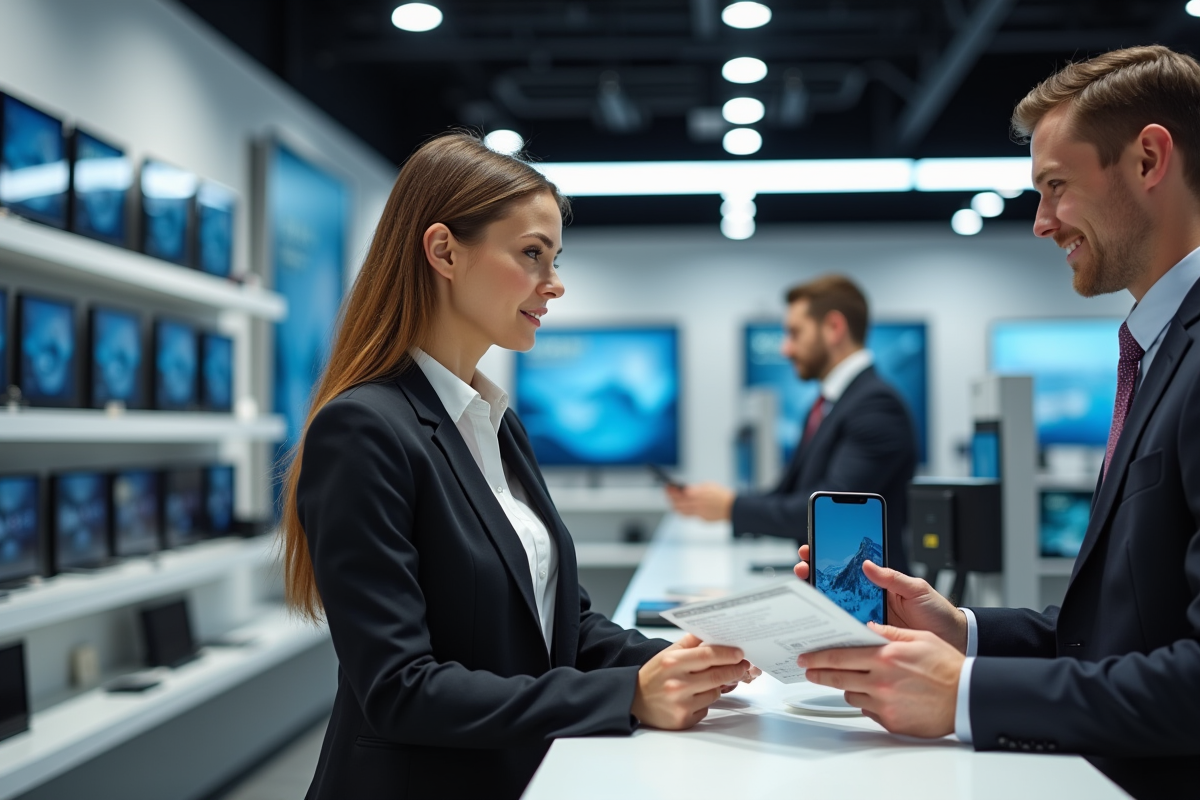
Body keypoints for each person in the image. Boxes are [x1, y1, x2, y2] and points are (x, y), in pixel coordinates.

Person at [280, 132, 758, 800]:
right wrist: (627, 695)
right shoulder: (363, 429)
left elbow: (559, 624)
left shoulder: (495, 423)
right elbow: (399, 689)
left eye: (555, 259)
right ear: (444, 251)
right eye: (533, 254)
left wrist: (687, 660)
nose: (554, 285)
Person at [791, 45, 1200, 800]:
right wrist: (960, 630)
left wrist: (965, 693)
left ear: (1149, 159)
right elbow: (1123, 634)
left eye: (1055, 187)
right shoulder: (1161, 350)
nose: (1040, 223)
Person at [667, 275, 918, 575]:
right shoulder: (828, 405)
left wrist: (732, 507)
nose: (785, 349)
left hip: (866, 595)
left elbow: (828, 511)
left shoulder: (877, 406)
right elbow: (789, 494)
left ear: (834, 327)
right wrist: (719, 502)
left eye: (795, 333)